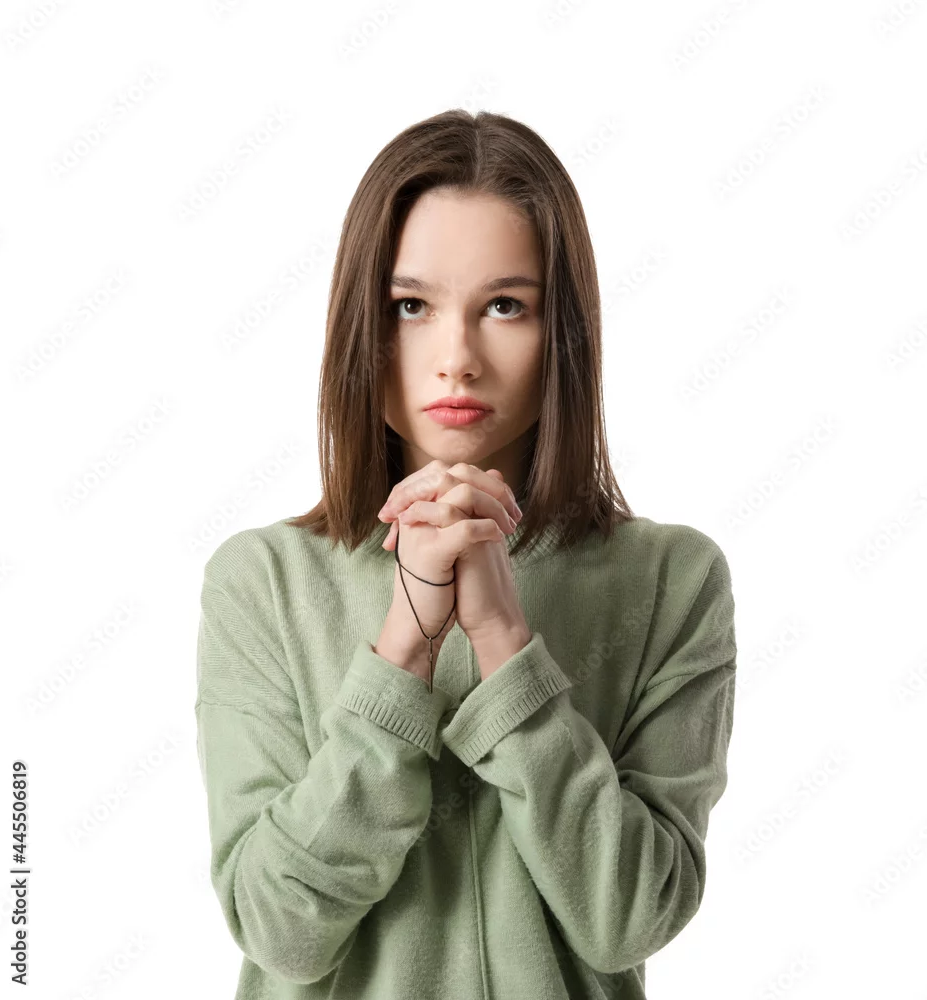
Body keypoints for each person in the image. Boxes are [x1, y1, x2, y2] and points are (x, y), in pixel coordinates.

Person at [195, 108, 738, 1000]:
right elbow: (281, 930)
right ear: (363, 327)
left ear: (562, 330)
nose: (457, 359)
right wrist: (402, 648)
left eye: (504, 305)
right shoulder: (261, 581)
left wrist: (504, 644)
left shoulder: (672, 581)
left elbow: (631, 918)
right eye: (411, 306)